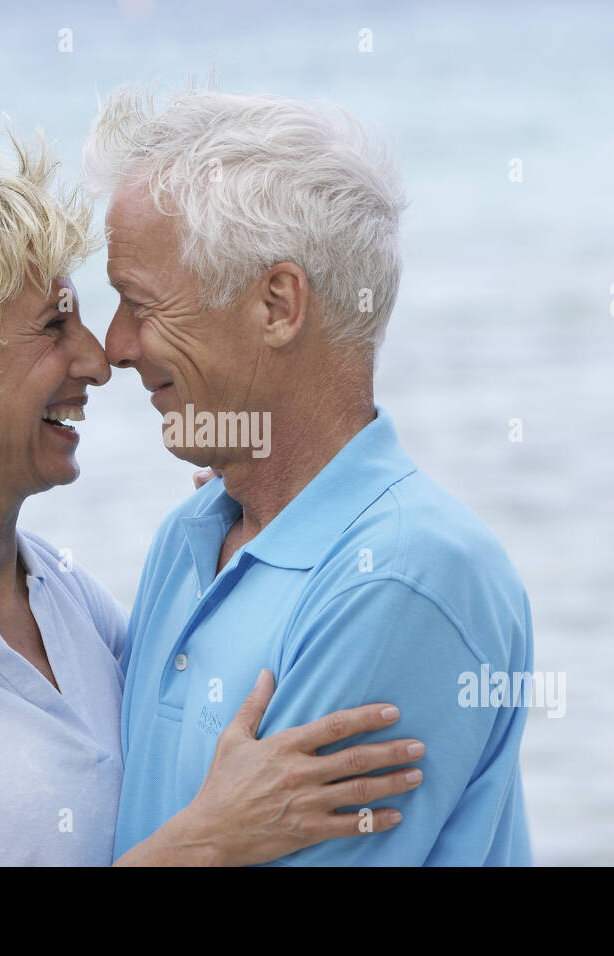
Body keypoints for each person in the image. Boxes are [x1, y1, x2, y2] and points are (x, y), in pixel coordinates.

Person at [0, 102, 424, 866]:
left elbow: (182, 739)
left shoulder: (56, 593)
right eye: (52, 327)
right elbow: (197, 822)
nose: (99, 360)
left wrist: (255, 507)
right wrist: (201, 845)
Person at [84, 86, 535, 865]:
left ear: (278, 304)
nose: (114, 346)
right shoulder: (192, 538)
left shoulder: (402, 579)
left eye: (140, 304)